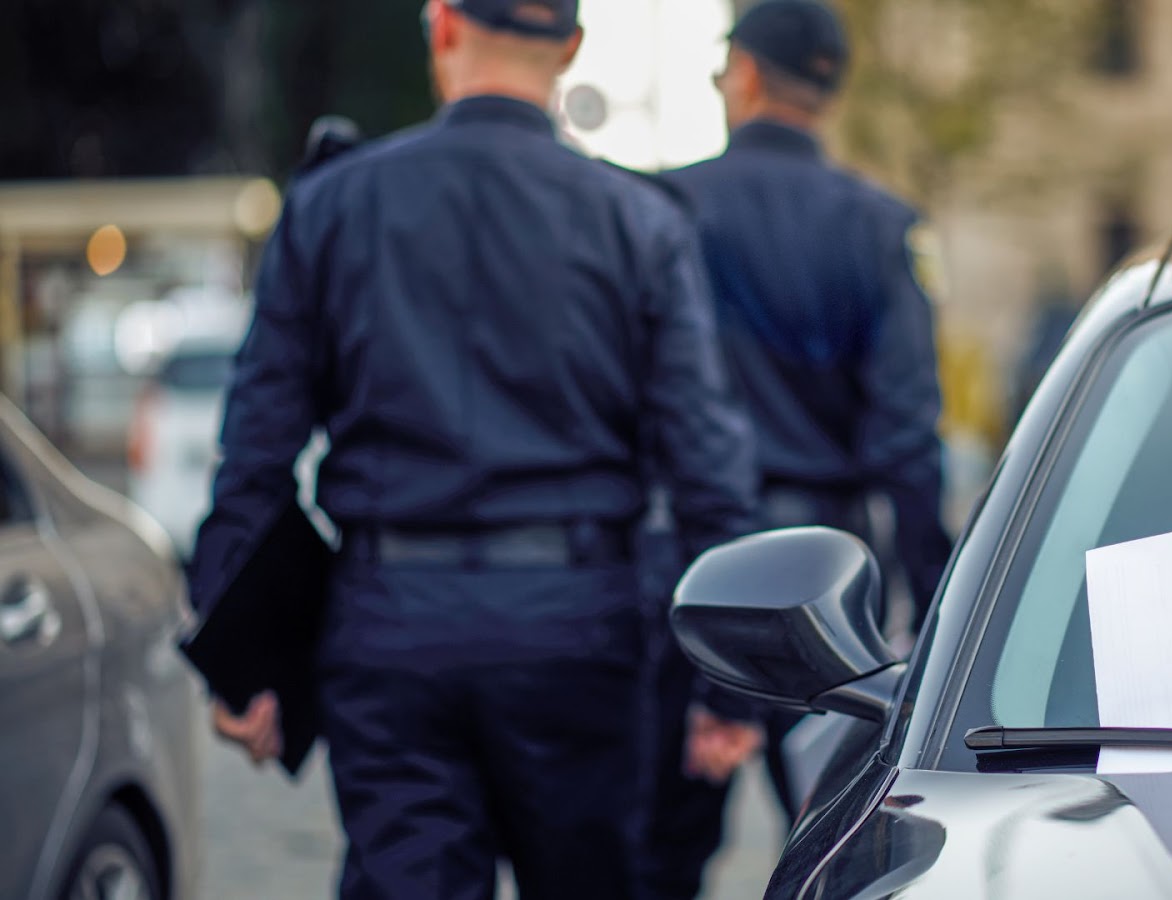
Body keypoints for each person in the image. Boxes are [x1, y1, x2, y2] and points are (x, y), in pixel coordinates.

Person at [193, 1, 759, 897]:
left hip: (390, 625)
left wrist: (243, 655)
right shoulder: (640, 221)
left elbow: (256, 450)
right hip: (578, 627)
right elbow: (707, 466)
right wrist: (734, 685)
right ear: (571, 48)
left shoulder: (333, 204)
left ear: (443, 26)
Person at [640, 2, 954, 896]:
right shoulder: (884, 226)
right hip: (828, 592)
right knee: (849, 853)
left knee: (655, 858)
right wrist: (940, 614)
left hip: (683, 568)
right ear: (829, 88)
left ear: (742, 75)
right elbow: (907, 441)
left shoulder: (664, 207)